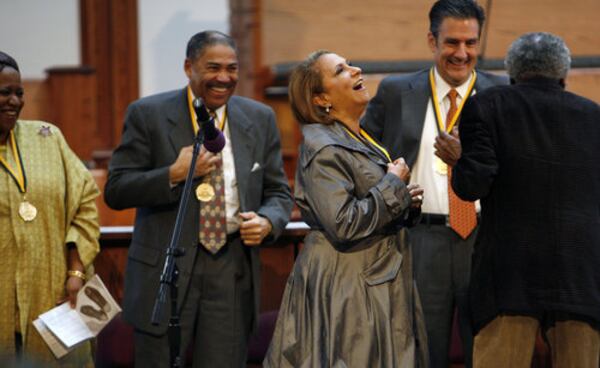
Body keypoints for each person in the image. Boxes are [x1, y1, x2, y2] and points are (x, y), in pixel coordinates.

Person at [104, 31, 293, 367]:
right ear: (189, 67)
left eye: (232, 69)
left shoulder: (259, 118)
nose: (224, 78)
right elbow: (117, 189)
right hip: (166, 269)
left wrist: (268, 220)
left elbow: (278, 192)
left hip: (231, 268)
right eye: (213, 67)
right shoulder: (148, 114)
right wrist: (172, 174)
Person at [361, 1, 507, 366]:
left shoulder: (503, 95)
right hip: (421, 239)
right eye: (452, 43)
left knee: (489, 350)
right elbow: (361, 156)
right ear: (432, 40)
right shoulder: (396, 92)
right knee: (424, 352)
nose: (462, 54)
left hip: (486, 239)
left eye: (471, 43)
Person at [264, 50, 428, 367]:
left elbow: (371, 205)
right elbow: (344, 223)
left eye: (350, 64)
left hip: (374, 277)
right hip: (349, 285)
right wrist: (394, 186)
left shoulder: (357, 137)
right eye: (341, 70)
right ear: (322, 99)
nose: (356, 70)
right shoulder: (323, 147)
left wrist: (406, 200)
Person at [451, 32, 600, 368]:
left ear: (511, 72)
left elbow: (472, 186)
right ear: (563, 74)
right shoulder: (594, 116)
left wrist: (458, 160)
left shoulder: (486, 105)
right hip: (581, 274)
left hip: (509, 275)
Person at [0, 51, 100, 367]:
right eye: (4, 93)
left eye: (19, 93)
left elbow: (84, 202)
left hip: (55, 292)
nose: (14, 101)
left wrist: (75, 272)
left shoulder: (47, 137)